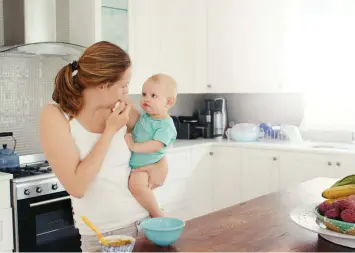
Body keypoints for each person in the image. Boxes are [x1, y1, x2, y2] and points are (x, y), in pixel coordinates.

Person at [39, 41, 168, 252]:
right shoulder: (56, 116)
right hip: (102, 239)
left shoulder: (123, 107)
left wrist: (162, 163)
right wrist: (109, 132)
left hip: (146, 224)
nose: (127, 90)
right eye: (124, 84)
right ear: (103, 85)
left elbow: (154, 143)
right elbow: (77, 187)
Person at [124, 74, 177, 217]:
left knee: (136, 186)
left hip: (147, 166)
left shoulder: (165, 124)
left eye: (153, 95)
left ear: (169, 102)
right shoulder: (146, 117)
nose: (146, 98)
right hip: (137, 165)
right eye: (144, 94)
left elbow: (156, 146)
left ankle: (157, 213)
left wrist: (134, 146)